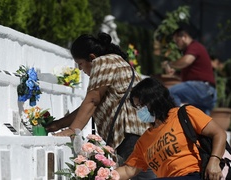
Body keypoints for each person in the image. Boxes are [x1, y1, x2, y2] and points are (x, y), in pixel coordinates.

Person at [46, 32, 156, 180]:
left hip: (129, 135)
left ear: (91, 57)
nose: (80, 70)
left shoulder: (103, 62)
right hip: (139, 133)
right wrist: (57, 125)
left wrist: (72, 130)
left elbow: (93, 100)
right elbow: (87, 107)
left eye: (80, 64)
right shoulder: (116, 62)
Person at [115, 77, 227, 180]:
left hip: (194, 174)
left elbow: (219, 133)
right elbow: (128, 170)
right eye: (137, 107)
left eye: (142, 105)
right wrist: (104, 175)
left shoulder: (184, 114)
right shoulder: (144, 141)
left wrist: (214, 161)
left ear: (155, 99)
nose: (140, 111)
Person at [162, 26, 217, 115]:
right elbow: (190, 74)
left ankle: (180, 117)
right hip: (208, 93)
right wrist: (175, 73)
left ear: (184, 36)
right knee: (200, 122)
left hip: (203, 88)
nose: (177, 44)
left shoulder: (194, 46)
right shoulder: (194, 49)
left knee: (170, 93)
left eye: (177, 41)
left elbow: (186, 61)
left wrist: (170, 64)